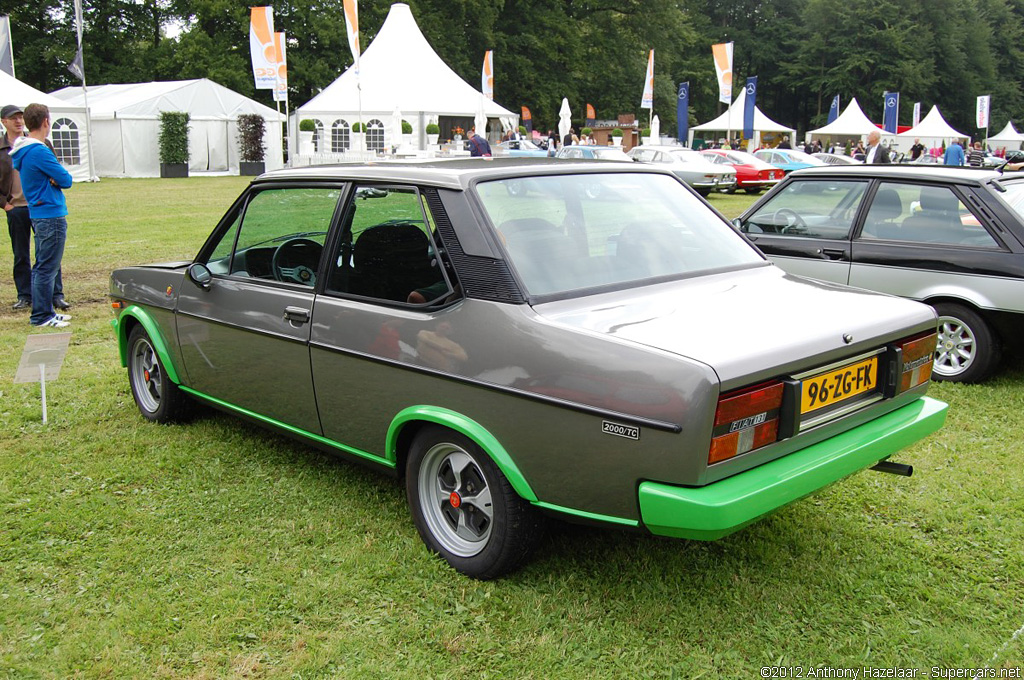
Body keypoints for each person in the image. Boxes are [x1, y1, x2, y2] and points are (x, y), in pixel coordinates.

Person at [1, 104, 70, 312]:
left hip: (36, 206)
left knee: (47, 258)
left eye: (20, 117)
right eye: (13, 118)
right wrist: (5, 205)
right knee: (30, 257)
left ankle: (54, 296)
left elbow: (55, 172)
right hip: (25, 207)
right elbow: (65, 178)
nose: (18, 121)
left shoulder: (35, 146)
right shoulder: (30, 149)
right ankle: (33, 303)